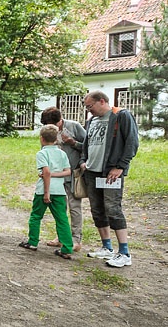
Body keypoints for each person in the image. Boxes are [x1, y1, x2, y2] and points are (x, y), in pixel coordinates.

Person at [80, 90, 139, 268]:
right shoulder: (91, 121)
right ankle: (107, 247)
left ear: (102, 101)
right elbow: (86, 143)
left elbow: (132, 143)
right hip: (92, 172)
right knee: (97, 209)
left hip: (111, 173)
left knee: (113, 208)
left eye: (90, 106)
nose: (89, 110)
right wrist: (84, 161)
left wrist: (120, 166)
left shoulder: (121, 115)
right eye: (87, 107)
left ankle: (124, 252)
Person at [18, 124, 74, 259]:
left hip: (44, 190)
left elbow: (46, 172)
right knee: (62, 219)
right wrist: (55, 175)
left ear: (41, 139)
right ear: (56, 139)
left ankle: (33, 242)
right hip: (60, 190)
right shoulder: (62, 153)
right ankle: (67, 247)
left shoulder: (42, 153)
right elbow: (68, 171)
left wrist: (46, 192)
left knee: (36, 216)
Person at [40, 107, 87, 253]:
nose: (52, 128)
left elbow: (88, 147)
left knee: (74, 207)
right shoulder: (47, 131)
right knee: (60, 208)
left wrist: (73, 143)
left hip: (73, 174)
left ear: (60, 120)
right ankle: (61, 237)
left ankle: (75, 239)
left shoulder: (74, 126)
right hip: (55, 176)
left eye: (55, 125)